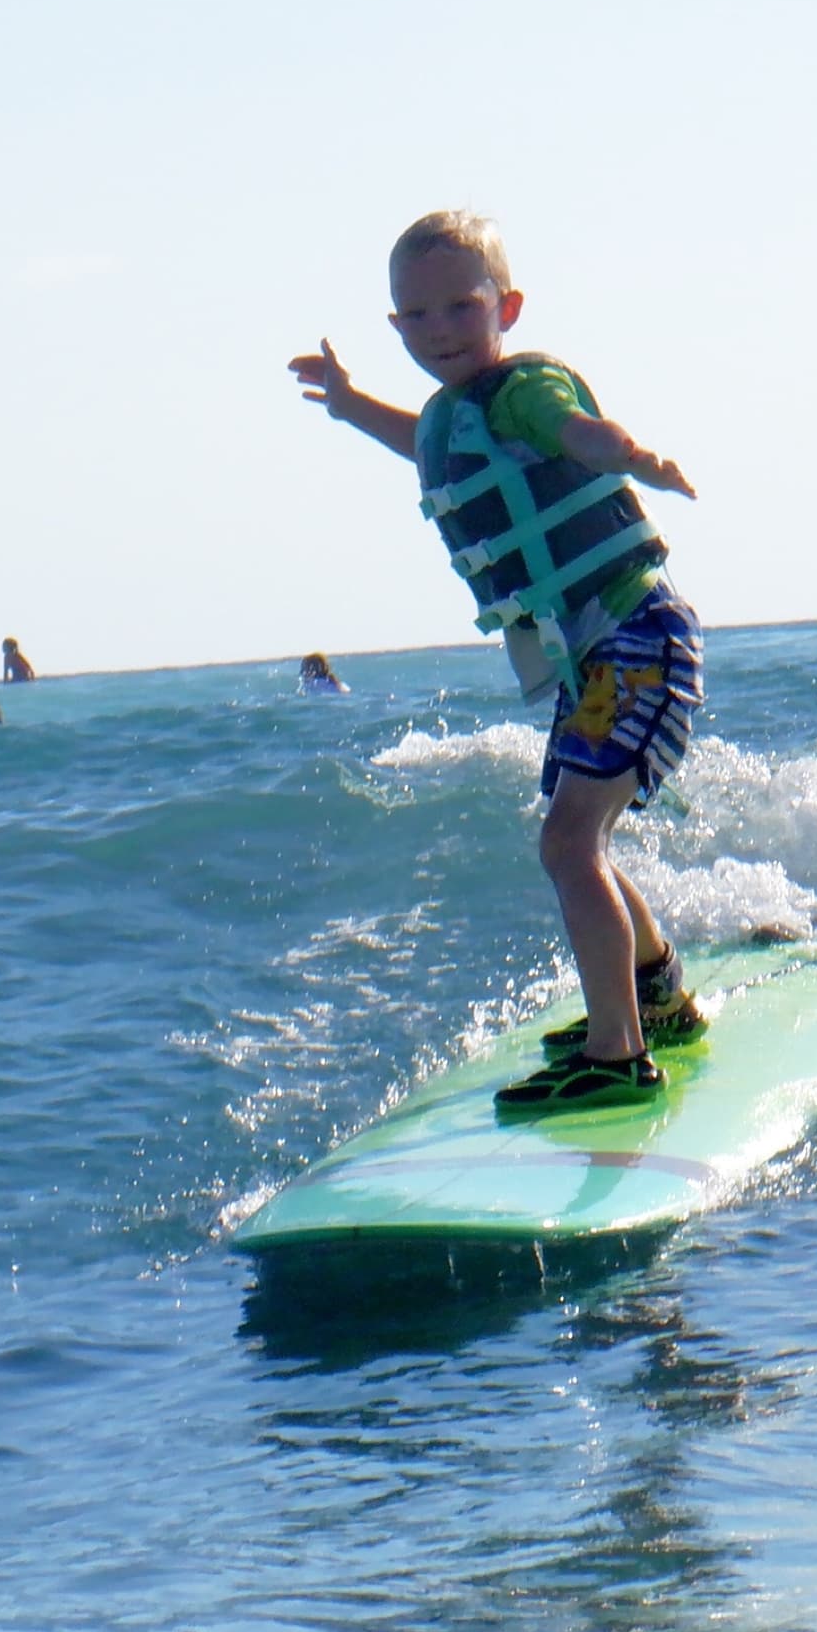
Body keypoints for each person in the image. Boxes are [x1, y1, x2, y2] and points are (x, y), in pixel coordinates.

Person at [289, 211, 704, 1114]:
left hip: (635, 637)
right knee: (571, 839)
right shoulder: (456, 414)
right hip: (598, 652)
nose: (440, 331)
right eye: (419, 316)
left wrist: (631, 453)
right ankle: (656, 998)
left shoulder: (523, 392)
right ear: (396, 325)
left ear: (505, 307)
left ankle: (617, 1055)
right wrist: (352, 402)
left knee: (568, 843)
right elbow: (433, 448)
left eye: (460, 309)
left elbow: (573, 431)